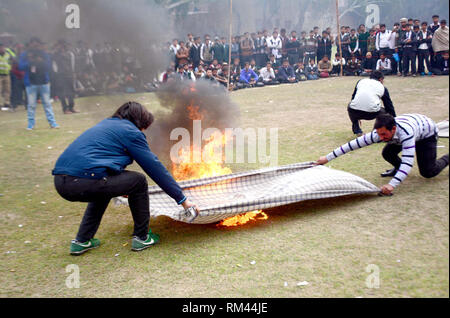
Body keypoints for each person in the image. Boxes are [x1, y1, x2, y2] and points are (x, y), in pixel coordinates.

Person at [52, 102, 199, 255]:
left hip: (62, 182)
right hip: (83, 181)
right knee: (139, 181)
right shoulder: (131, 132)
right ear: (139, 123)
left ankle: (81, 241)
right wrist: (182, 200)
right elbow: (155, 168)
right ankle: (142, 237)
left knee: (103, 186)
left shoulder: (108, 125)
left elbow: (101, 161)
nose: (143, 132)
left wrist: (118, 187)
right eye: (144, 128)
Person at [316, 113, 449, 196]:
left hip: (427, 133)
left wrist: (392, 185)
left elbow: (408, 162)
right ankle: (397, 170)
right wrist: (327, 158)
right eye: (379, 134)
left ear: (393, 129)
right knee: (387, 152)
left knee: (428, 172)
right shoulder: (379, 133)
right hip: (411, 126)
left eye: (384, 134)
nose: (380, 137)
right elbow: (352, 145)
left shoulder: (406, 134)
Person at [19, 37, 59, 130]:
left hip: (44, 82)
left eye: (37, 43)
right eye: (33, 43)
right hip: (31, 83)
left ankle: (53, 123)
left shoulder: (44, 54)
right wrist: (30, 62)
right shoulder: (25, 55)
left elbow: (49, 66)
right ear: (29, 44)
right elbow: (21, 66)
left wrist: (41, 62)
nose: (35, 45)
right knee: (31, 105)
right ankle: (30, 125)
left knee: (47, 104)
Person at [347, 71, 396, 136]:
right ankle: (377, 130)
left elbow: (353, 97)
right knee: (384, 112)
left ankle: (357, 129)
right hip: (372, 113)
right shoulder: (382, 88)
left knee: (350, 106)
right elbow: (389, 106)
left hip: (355, 111)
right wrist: (395, 120)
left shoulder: (361, 81)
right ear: (381, 79)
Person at [52, 40, 78, 114]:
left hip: (69, 75)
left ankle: (71, 107)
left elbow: (73, 64)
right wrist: (57, 74)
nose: (61, 46)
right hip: (60, 76)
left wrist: (73, 73)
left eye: (63, 45)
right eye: (60, 45)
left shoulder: (70, 54)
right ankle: (65, 109)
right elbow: (54, 66)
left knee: (71, 92)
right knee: (62, 93)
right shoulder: (55, 55)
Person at [0, 42, 13, 111]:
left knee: (7, 89)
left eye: (3, 47)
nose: (2, 49)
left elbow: (13, 59)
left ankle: (6, 103)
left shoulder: (8, 54)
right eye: (1, 47)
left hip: (7, 74)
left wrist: (10, 67)